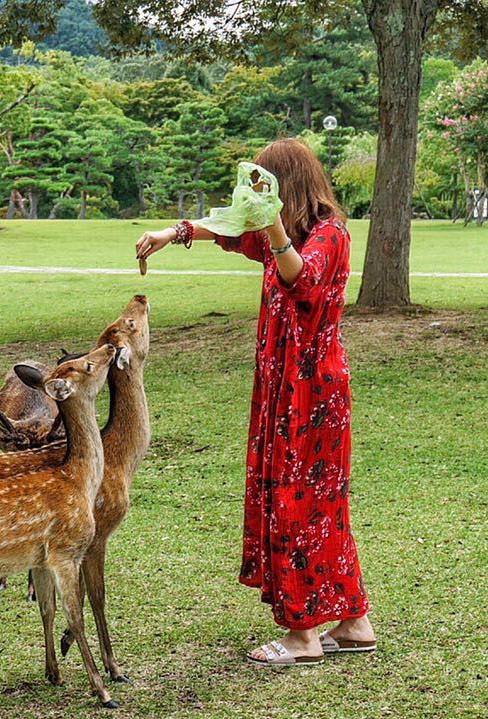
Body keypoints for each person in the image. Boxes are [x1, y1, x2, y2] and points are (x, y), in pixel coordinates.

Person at [135, 138, 376, 666]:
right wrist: (171, 233)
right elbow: (226, 231)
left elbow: (303, 279)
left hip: (311, 392)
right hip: (283, 387)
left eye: (264, 185)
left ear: (287, 185)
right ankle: (353, 620)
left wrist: (273, 227)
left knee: (301, 502)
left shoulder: (328, 233)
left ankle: (303, 634)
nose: (255, 194)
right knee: (316, 505)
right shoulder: (283, 233)